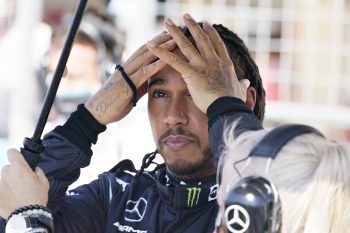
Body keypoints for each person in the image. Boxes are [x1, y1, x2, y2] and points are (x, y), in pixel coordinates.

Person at [0, 13, 265, 232]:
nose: (173, 115)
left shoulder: (270, 197)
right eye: (159, 94)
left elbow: (270, 196)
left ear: (244, 101)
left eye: (197, 93)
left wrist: (230, 111)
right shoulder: (115, 197)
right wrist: (86, 120)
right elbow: (15, 200)